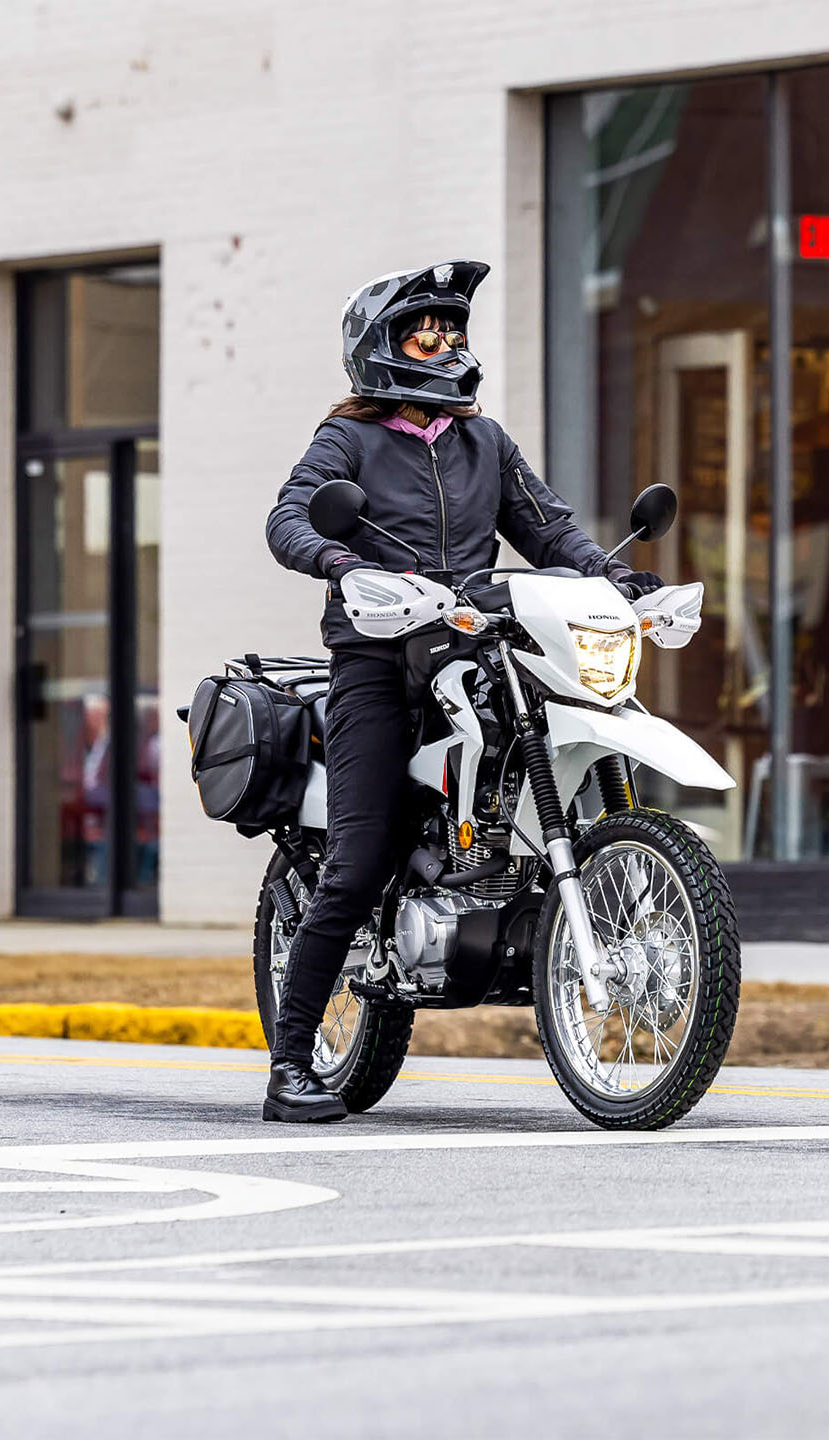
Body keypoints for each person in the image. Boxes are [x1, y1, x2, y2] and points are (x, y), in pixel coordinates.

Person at [260, 259, 663, 1122]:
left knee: (550, 737)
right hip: (379, 661)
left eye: (453, 332)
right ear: (381, 349)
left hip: (477, 646)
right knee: (362, 857)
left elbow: (548, 528)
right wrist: (344, 564)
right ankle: (292, 1063)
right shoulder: (349, 441)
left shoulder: (486, 443)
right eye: (425, 334)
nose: (446, 346)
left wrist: (614, 578)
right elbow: (289, 518)